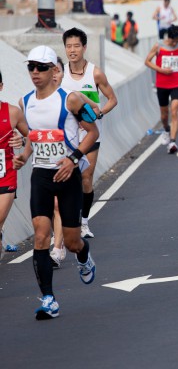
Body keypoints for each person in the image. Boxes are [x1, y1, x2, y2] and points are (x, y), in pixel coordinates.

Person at [14, 45, 99, 320]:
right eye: (31, 67)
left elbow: (92, 132)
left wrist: (73, 159)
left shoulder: (70, 100)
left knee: (72, 242)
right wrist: (24, 156)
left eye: (41, 67)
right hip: (41, 174)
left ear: (54, 70)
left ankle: (83, 256)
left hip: (68, 176)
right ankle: (49, 299)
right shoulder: (25, 102)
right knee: (41, 236)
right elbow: (34, 136)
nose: (35, 72)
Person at [62, 27, 118, 239]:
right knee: (69, 179)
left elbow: (112, 99)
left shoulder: (95, 73)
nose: (72, 50)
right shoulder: (60, 74)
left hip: (91, 133)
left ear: (84, 47)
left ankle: (84, 221)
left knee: (86, 177)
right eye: (69, 46)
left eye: (76, 46)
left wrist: (99, 113)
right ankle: (67, 222)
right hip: (68, 135)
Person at [50, 58, 100, 269]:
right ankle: (57, 244)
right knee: (54, 206)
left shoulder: (72, 97)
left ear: (62, 73)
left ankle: (58, 248)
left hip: (70, 158)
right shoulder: (32, 101)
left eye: (56, 70)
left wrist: (83, 120)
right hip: (46, 162)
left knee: (58, 204)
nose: (53, 75)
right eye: (48, 70)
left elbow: (94, 112)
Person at [145, 25, 178, 154]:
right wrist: (161, 70)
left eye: (177, 41)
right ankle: (166, 129)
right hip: (162, 84)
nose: (175, 43)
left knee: (174, 110)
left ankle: (172, 142)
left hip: (177, 82)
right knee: (164, 115)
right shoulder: (158, 46)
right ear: (168, 37)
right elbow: (147, 61)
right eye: (173, 41)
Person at [0, 70, 29, 260]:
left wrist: (22, 140)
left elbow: (32, 136)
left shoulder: (12, 112)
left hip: (6, 176)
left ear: (1, 87)